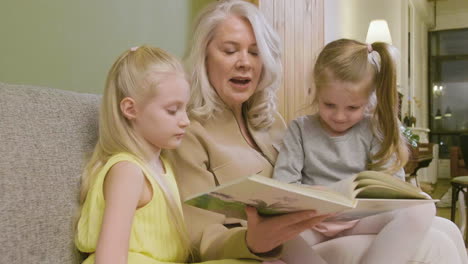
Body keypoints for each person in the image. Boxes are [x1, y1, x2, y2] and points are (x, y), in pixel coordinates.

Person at [167, 1, 468, 264]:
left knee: (447, 228)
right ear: (204, 58)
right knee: (436, 245)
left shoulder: (270, 122)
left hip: (327, 224)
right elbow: (200, 237)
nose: (245, 62)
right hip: (271, 244)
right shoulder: (189, 133)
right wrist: (253, 241)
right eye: (230, 50)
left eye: (255, 52)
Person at [74, 45, 267, 264]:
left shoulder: (162, 166)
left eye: (185, 109)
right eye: (172, 110)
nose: (185, 120)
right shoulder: (127, 171)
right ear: (130, 109)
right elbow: (108, 259)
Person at [273, 38, 435, 264]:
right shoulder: (300, 128)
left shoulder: (374, 127)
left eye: (352, 107)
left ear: (369, 100)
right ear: (315, 92)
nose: (339, 117)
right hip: (312, 221)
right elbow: (282, 184)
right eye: (329, 105)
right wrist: (313, 201)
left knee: (423, 207)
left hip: (361, 218)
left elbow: (392, 189)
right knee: (272, 237)